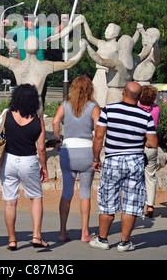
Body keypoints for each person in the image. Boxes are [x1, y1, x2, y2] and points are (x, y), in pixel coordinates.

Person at [90, 81, 158, 252]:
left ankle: (103, 239)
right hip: (134, 161)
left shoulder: (108, 111)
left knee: (107, 200)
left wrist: (96, 158)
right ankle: (124, 242)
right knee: (132, 202)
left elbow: (98, 137)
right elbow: (153, 143)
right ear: (140, 96)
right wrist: (138, 140)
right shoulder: (146, 117)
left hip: (113, 160)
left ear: (122, 92)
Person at [0, 84, 48, 250]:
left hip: (9, 160)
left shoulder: (6, 115)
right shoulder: (38, 120)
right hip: (29, 161)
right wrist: (45, 167)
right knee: (36, 198)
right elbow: (41, 148)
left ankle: (12, 240)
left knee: (10, 202)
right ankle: (36, 236)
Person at [0, 30, 87, 115]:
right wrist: (82, 50)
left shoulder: (15, 64)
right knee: (38, 134)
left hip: (19, 105)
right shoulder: (46, 66)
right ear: (38, 48)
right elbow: (68, 64)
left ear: (24, 47)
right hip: (37, 106)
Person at [52, 76, 100, 243]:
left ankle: (62, 231)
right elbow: (99, 129)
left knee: (66, 192)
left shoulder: (65, 105)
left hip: (68, 151)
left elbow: (55, 121)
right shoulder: (93, 107)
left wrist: (58, 140)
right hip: (87, 151)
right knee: (85, 193)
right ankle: (85, 233)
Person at [139, 85, 160, 218]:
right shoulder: (156, 109)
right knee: (150, 176)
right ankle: (150, 205)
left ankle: (138, 205)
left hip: (138, 145)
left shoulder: (136, 109)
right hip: (151, 145)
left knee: (137, 177)